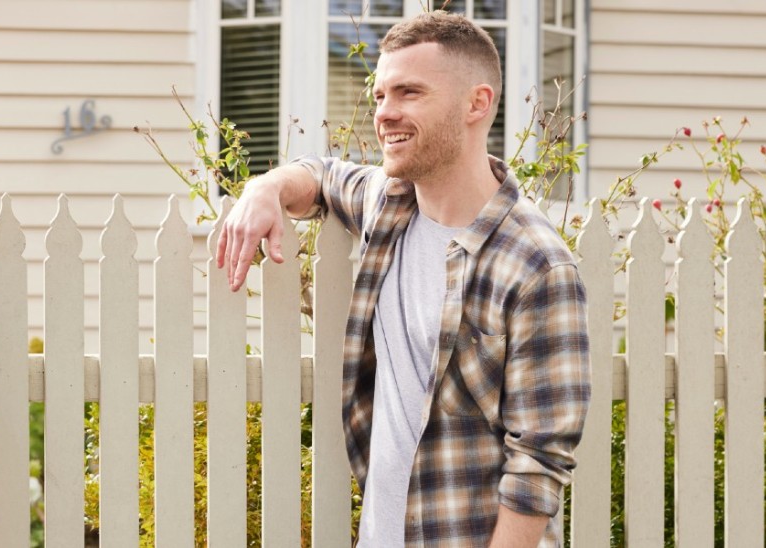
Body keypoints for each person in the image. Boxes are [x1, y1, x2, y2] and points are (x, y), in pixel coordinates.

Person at [216, 12, 590, 547]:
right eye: (380, 96)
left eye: (409, 93)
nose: (385, 114)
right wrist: (262, 190)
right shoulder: (388, 204)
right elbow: (319, 175)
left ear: (476, 103)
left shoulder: (536, 265)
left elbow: (538, 463)